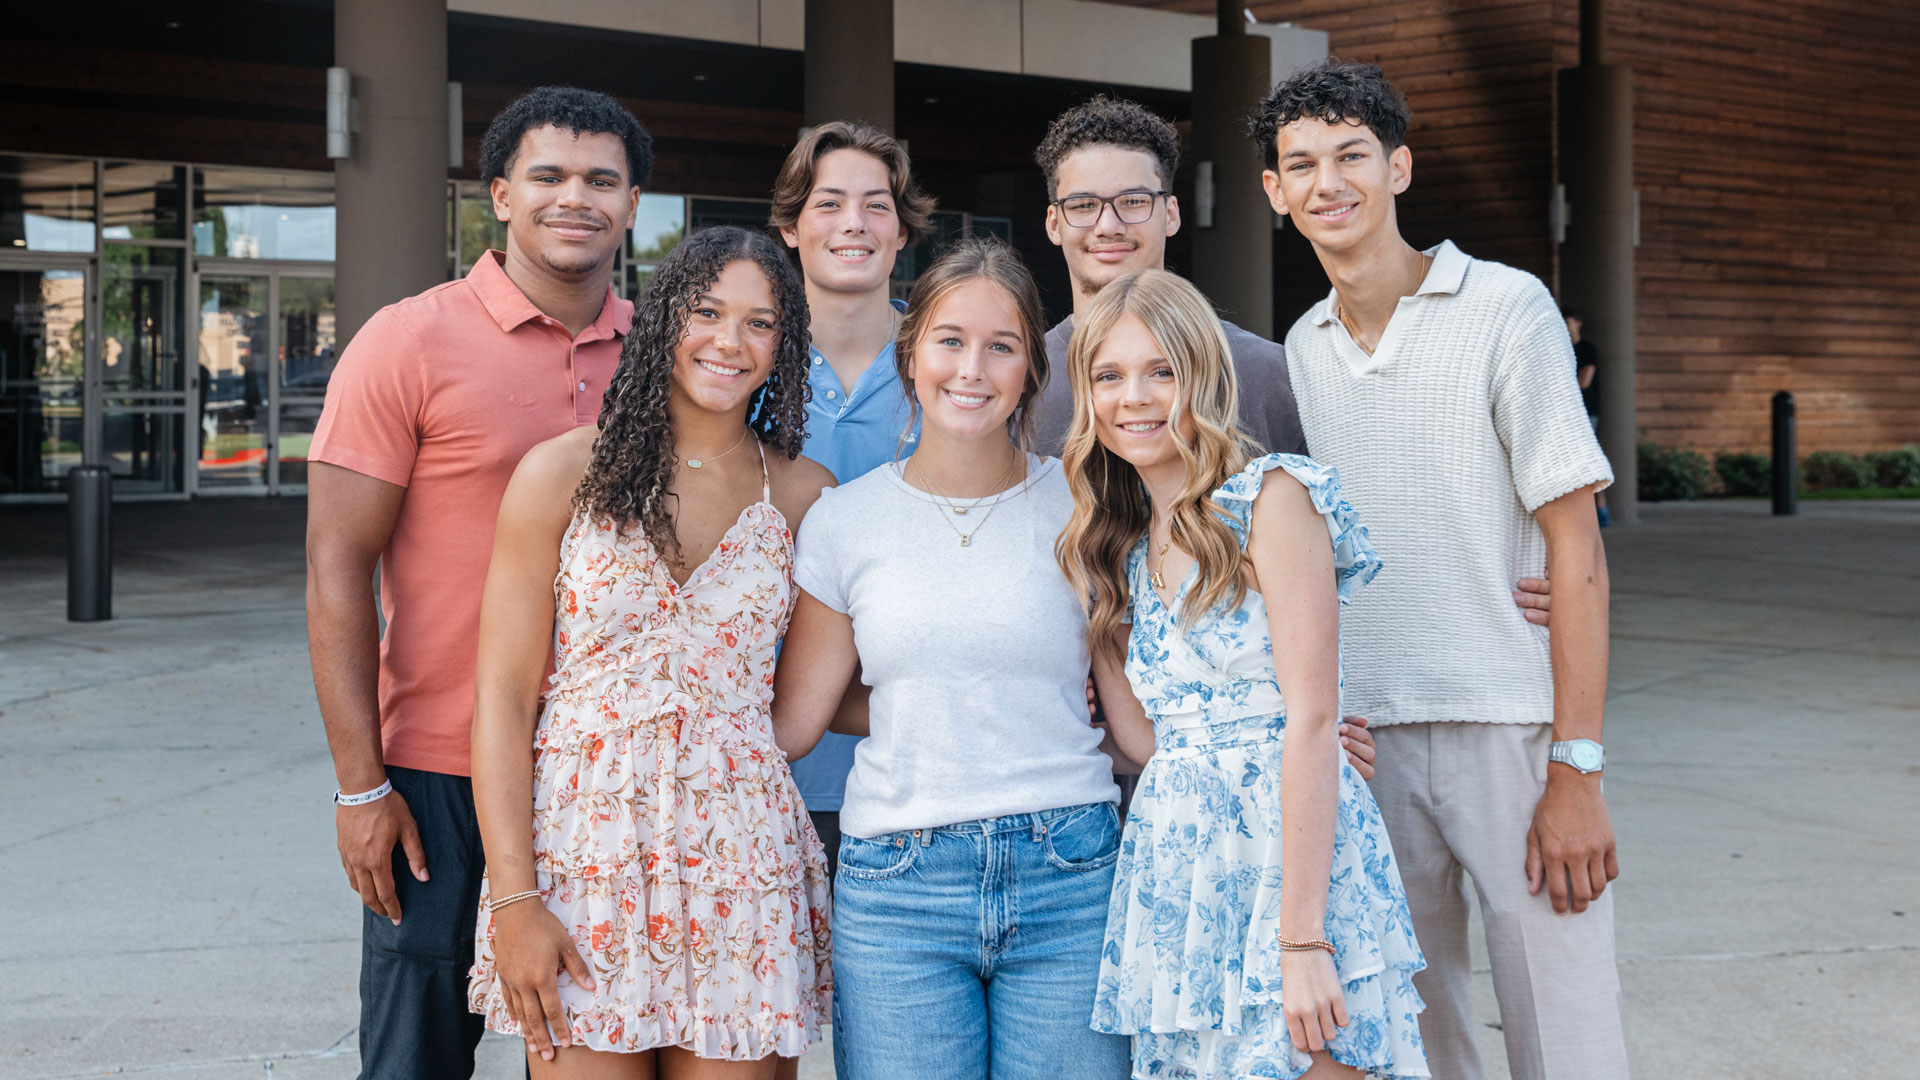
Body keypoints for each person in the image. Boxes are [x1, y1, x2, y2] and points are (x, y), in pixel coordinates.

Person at [1255, 61, 1626, 1079]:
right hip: (1364, 743)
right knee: (1414, 1043)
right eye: (1301, 165)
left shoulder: (1507, 307)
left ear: (1399, 167)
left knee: (1568, 1035)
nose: (1329, 182)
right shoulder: (1302, 348)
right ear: (1275, 192)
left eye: (1352, 156)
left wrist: (1577, 767)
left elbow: (1577, 546)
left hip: (1509, 727)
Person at [305, 86, 651, 1078]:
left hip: (608, 770)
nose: (574, 198)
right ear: (500, 195)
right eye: (548, 176)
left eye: (601, 180)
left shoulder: (664, 356)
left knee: (596, 1048)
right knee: (414, 1057)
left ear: (633, 205)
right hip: (439, 771)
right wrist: (360, 785)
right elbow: (336, 570)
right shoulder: (408, 340)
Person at [466, 226, 835, 1075]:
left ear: (784, 346)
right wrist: (516, 899)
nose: (729, 341)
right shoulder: (561, 473)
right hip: (581, 857)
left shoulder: (807, 494)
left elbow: (804, 704)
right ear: (664, 317)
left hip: (742, 858)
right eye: (706, 312)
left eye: (760, 323)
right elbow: (503, 700)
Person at [769, 237, 1135, 1080]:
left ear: (1031, 370)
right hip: (899, 884)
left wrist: (1286, 735)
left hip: (1071, 872)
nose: (972, 369)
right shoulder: (845, 520)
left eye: (1001, 346)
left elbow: (1142, 711)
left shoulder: (1087, 505)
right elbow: (797, 721)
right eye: (949, 341)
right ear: (911, 355)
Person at [1058, 267, 1428, 1080]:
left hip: (1287, 862)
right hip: (1181, 872)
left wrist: (1302, 940)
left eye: (1161, 370)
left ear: (1202, 374)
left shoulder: (1270, 498)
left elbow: (1312, 718)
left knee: (1316, 1060)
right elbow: (1146, 742)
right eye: (1109, 376)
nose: (1134, 398)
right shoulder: (1119, 549)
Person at [766, 120, 937, 874]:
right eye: (829, 203)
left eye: (876, 206)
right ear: (790, 228)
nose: (854, 224)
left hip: (916, 766)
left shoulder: (949, 366)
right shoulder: (740, 362)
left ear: (901, 231)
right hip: (765, 761)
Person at [1031, 95, 1305, 460]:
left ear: (1171, 214)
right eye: (1083, 205)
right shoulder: (1023, 380)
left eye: (1133, 201)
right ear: (1054, 224)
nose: (1108, 226)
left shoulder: (1265, 372)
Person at [1566, 311, 1611, 526]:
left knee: (1587, 460)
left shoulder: (1586, 349)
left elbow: (1584, 380)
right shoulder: (1561, 349)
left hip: (1586, 413)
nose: (1566, 327)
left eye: (1568, 322)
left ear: (1578, 323)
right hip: (1568, 413)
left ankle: (1601, 510)